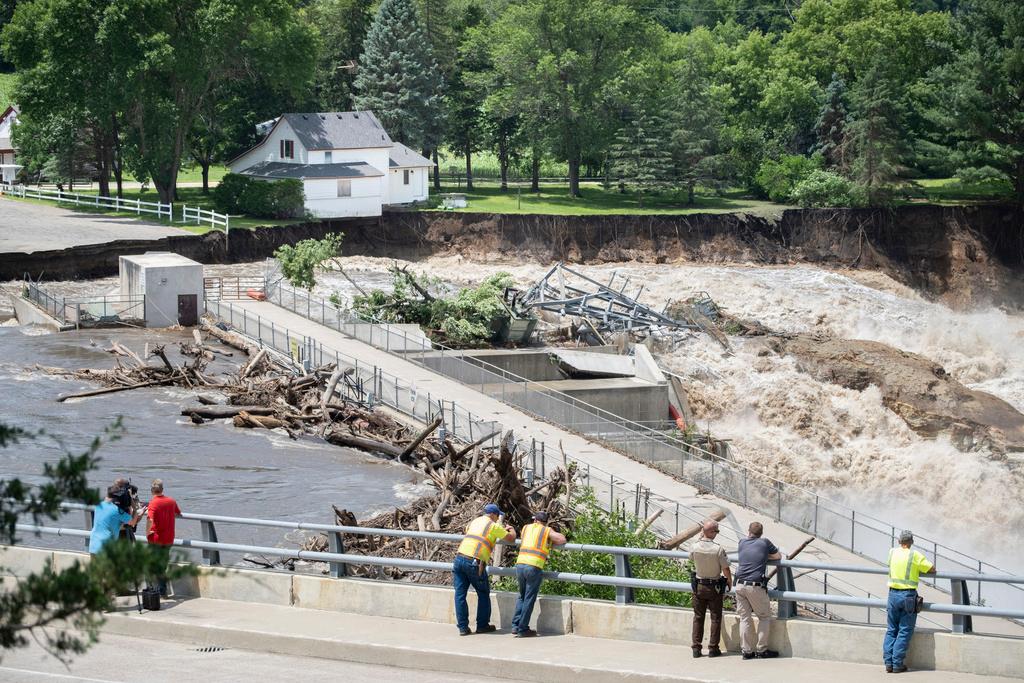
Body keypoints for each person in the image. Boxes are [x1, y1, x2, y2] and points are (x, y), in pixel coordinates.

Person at [453, 503, 516, 636]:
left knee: (460, 595)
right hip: (474, 561)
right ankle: (482, 625)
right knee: (483, 593)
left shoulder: (475, 521)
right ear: (493, 514)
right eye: (498, 515)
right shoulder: (493, 525)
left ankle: (463, 628)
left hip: (459, 558)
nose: (498, 517)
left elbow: (469, 531)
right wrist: (511, 529)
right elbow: (510, 539)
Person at [883, 530, 935, 674]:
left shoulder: (892, 552)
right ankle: (897, 664)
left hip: (892, 594)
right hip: (908, 596)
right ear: (911, 542)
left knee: (892, 629)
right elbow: (931, 569)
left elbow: (890, 565)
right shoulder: (914, 555)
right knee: (904, 631)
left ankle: (888, 663)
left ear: (899, 541)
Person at [511, 511, 566, 638]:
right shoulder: (546, 530)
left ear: (535, 520)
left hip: (520, 564)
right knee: (529, 598)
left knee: (522, 596)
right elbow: (562, 539)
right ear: (545, 522)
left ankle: (515, 625)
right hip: (533, 566)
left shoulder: (525, 528)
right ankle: (522, 629)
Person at [734, 521, 782, 660]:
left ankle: (747, 651)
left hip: (739, 585)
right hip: (754, 586)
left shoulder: (741, 542)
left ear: (748, 531)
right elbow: (778, 556)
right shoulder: (765, 542)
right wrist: (764, 556)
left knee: (745, 618)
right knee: (764, 617)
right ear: (761, 533)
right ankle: (761, 650)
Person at [689, 519, 732, 658]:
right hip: (714, 587)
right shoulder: (718, 549)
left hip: (699, 585)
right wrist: (729, 582)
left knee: (698, 617)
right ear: (712, 532)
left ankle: (696, 648)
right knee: (715, 618)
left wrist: (701, 536)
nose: (717, 534)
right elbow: (726, 568)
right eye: (717, 531)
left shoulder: (694, 546)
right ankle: (713, 648)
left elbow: (691, 558)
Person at [146, 479, 182, 597]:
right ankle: (161, 590)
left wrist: (147, 532)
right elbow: (178, 512)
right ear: (162, 489)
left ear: (152, 491)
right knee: (162, 564)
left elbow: (150, 519)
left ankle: (159, 590)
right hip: (168, 538)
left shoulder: (153, 503)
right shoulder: (171, 501)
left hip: (156, 539)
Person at [89, 484, 142, 555]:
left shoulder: (98, 505)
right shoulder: (117, 511)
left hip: (93, 545)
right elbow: (133, 522)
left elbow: (115, 525)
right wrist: (134, 508)